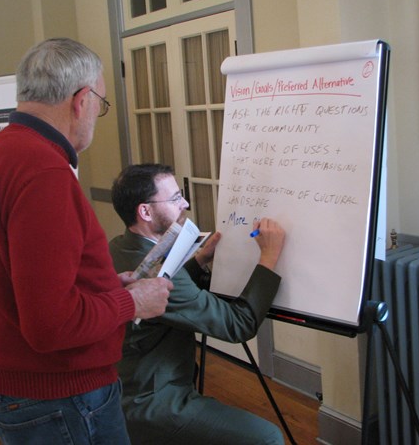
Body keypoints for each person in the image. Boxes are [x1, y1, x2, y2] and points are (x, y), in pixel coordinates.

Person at [0, 38, 173, 445]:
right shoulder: (43, 172)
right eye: (101, 104)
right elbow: (50, 325)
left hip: (27, 387)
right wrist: (132, 302)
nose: (96, 115)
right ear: (81, 100)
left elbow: (24, 281)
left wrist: (108, 288)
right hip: (61, 394)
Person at [109, 163, 286, 445]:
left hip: (124, 388)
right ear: (145, 211)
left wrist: (199, 260)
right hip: (153, 401)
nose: (185, 204)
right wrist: (269, 257)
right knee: (268, 438)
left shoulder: (119, 247)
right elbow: (237, 325)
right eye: (175, 198)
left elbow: (168, 295)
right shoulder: (151, 267)